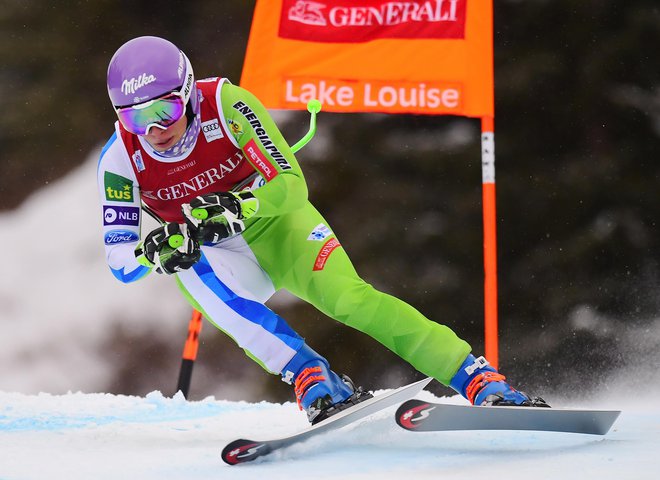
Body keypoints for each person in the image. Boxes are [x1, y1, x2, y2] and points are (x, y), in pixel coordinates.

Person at [98, 36, 548, 424]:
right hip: (223, 257)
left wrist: (241, 204)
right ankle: (310, 374)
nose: (155, 129)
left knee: (350, 301)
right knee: (186, 267)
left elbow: (291, 185)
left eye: (167, 109)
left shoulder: (226, 105)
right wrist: (152, 254)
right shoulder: (120, 160)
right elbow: (121, 264)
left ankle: (475, 377)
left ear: (190, 92)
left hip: (281, 226)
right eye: (137, 118)